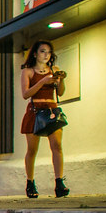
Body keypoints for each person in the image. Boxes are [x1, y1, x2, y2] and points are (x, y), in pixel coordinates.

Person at [20, 41, 69, 198]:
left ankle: (59, 182)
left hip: (51, 109)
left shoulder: (54, 70)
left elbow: (60, 92)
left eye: (48, 52)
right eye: (42, 51)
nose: (46, 54)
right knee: (32, 150)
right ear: (35, 53)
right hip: (35, 111)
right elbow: (26, 94)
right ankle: (30, 181)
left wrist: (60, 80)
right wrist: (42, 81)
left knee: (57, 145)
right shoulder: (28, 71)